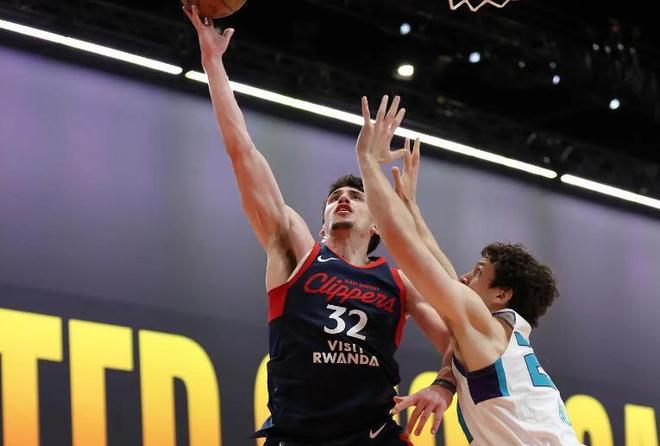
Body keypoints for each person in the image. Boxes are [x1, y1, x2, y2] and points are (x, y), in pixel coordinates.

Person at [183, 4, 458, 444]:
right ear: (323, 221)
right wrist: (213, 63)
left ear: (378, 225)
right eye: (334, 198)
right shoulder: (295, 251)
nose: (343, 199)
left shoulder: (399, 283)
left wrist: (443, 386)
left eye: (356, 197)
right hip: (300, 436)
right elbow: (242, 153)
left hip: (374, 436)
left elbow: (462, 342)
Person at [355, 95, 583, 445]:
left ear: (501, 294)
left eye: (477, 272)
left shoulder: (484, 327)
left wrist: (368, 161)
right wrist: (411, 207)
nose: (463, 277)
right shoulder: (501, 336)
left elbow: (410, 253)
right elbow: (438, 263)